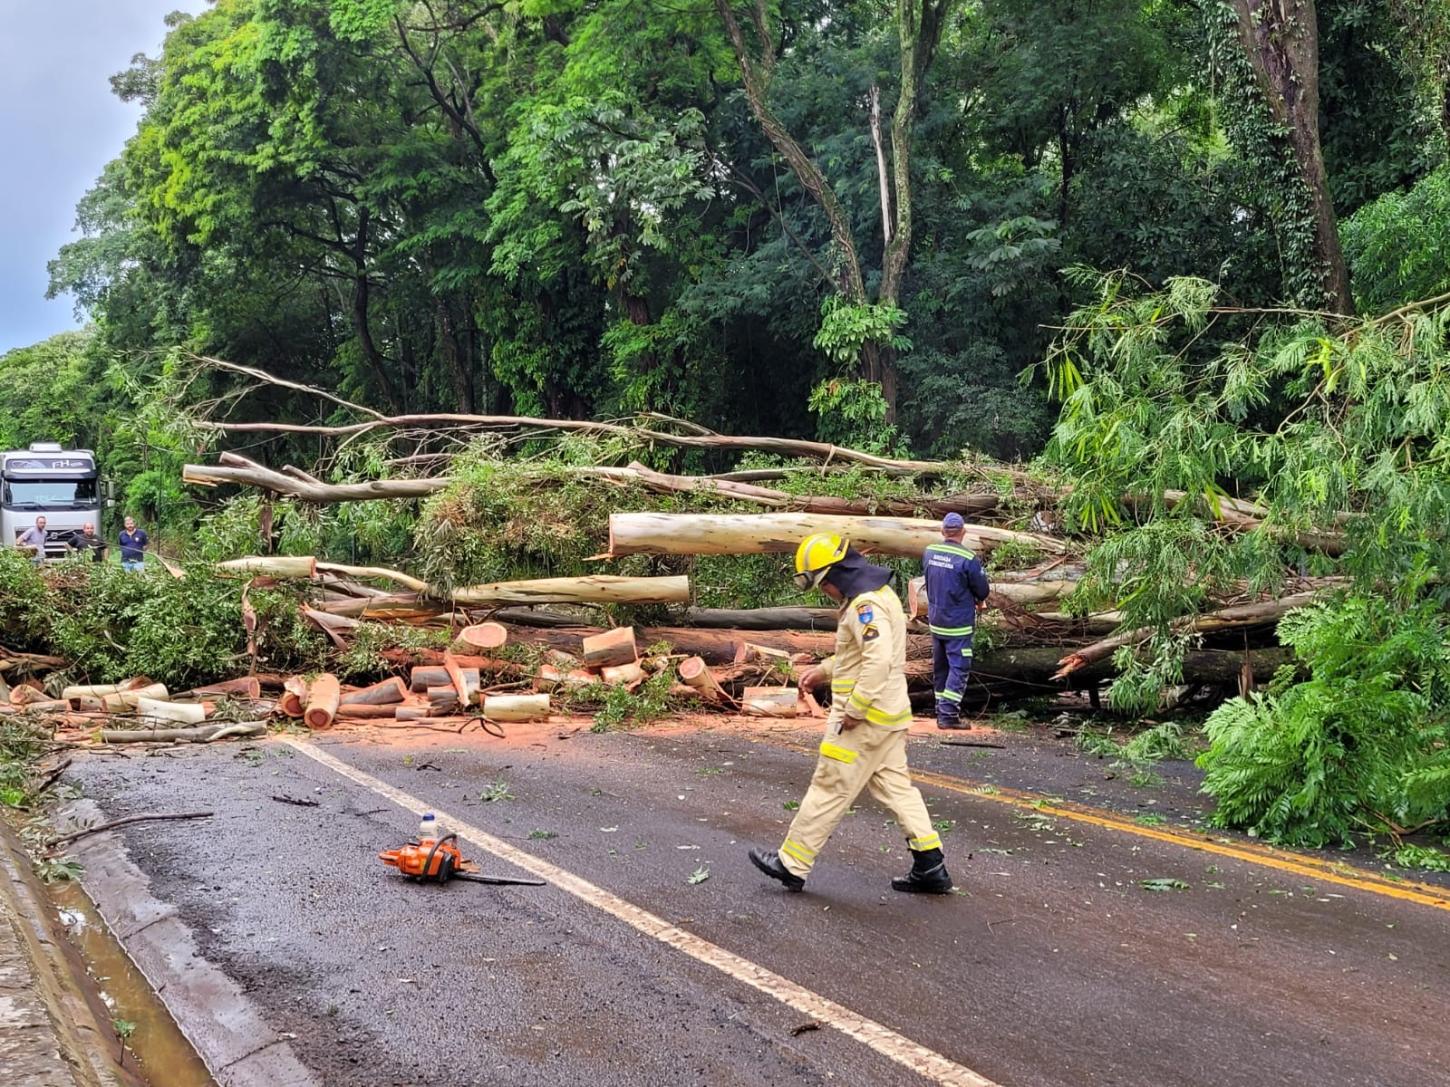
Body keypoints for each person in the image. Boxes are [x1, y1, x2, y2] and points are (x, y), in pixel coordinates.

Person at [748, 532, 952, 895]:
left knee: (829, 785)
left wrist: (856, 709)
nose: (826, 592)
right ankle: (929, 863)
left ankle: (792, 863)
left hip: (864, 719)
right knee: (896, 788)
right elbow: (859, 654)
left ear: (837, 574)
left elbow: (877, 660)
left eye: (824, 584)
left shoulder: (864, 605)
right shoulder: (875, 596)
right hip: (888, 716)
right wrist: (825, 670)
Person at [923, 513, 989, 730]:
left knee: (941, 667)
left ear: (943, 531)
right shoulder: (968, 559)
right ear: (963, 532)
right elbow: (982, 589)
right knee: (959, 667)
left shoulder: (930, 552)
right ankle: (949, 714)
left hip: (936, 621)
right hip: (958, 624)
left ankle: (939, 707)